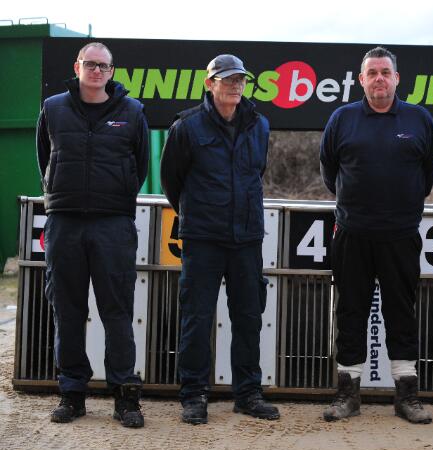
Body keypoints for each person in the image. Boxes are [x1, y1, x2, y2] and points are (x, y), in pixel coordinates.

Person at [319, 46, 433, 424]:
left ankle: (407, 396)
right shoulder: (342, 118)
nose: (379, 79)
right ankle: (347, 395)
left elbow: (427, 177)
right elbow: (329, 173)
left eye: (385, 72)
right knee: (351, 313)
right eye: (372, 73)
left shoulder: (420, 119)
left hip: (401, 236)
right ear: (361, 79)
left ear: (397, 78)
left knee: (401, 313)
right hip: (352, 235)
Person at [160, 54, 279, 425]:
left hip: (246, 239)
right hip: (203, 239)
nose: (234, 85)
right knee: (197, 318)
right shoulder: (187, 127)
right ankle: (193, 395)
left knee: (248, 317)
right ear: (209, 84)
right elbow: (171, 182)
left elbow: (256, 172)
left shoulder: (259, 125)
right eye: (226, 79)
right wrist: (200, 213)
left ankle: (248, 393)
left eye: (240, 79)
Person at [36, 42, 148, 428]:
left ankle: (125, 396)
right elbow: (44, 157)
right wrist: (60, 197)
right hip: (64, 222)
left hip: (113, 225)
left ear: (112, 71)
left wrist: (114, 199)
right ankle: (71, 393)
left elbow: (140, 165)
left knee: (116, 311)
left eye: (104, 66)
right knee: (67, 311)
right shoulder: (53, 108)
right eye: (91, 64)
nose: (97, 71)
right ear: (78, 67)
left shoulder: (132, 112)